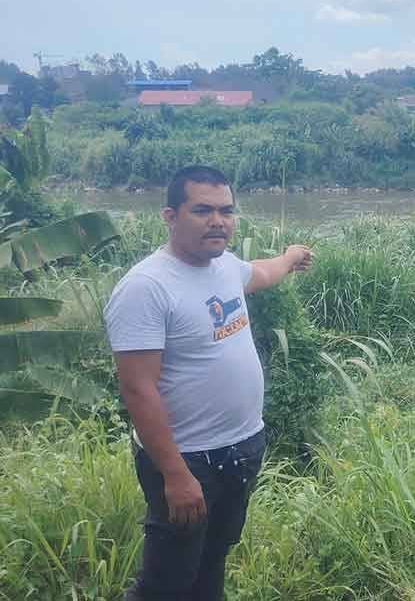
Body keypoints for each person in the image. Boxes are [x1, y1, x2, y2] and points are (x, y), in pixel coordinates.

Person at [104, 165, 313, 601]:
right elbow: (138, 390)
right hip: (189, 461)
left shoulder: (225, 267)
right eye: (202, 210)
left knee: (211, 562)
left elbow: (263, 271)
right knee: (165, 584)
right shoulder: (147, 287)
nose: (218, 220)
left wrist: (291, 257)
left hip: (241, 449)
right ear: (170, 215)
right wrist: (176, 476)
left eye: (226, 210)